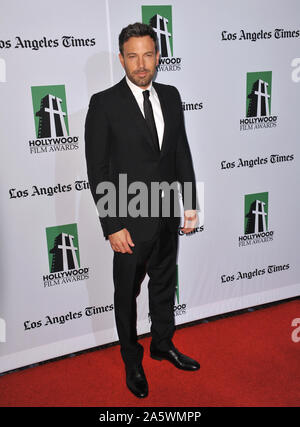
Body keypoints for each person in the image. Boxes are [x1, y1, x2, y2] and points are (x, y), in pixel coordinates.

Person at [85, 22, 200, 399]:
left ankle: (162, 344)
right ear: (121, 58)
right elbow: (97, 169)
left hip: (167, 213)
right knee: (126, 295)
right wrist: (111, 224)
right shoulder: (104, 103)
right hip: (129, 221)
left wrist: (191, 203)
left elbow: (180, 150)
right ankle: (132, 360)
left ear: (157, 56)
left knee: (165, 284)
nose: (141, 64)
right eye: (132, 56)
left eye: (148, 55)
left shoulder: (170, 95)